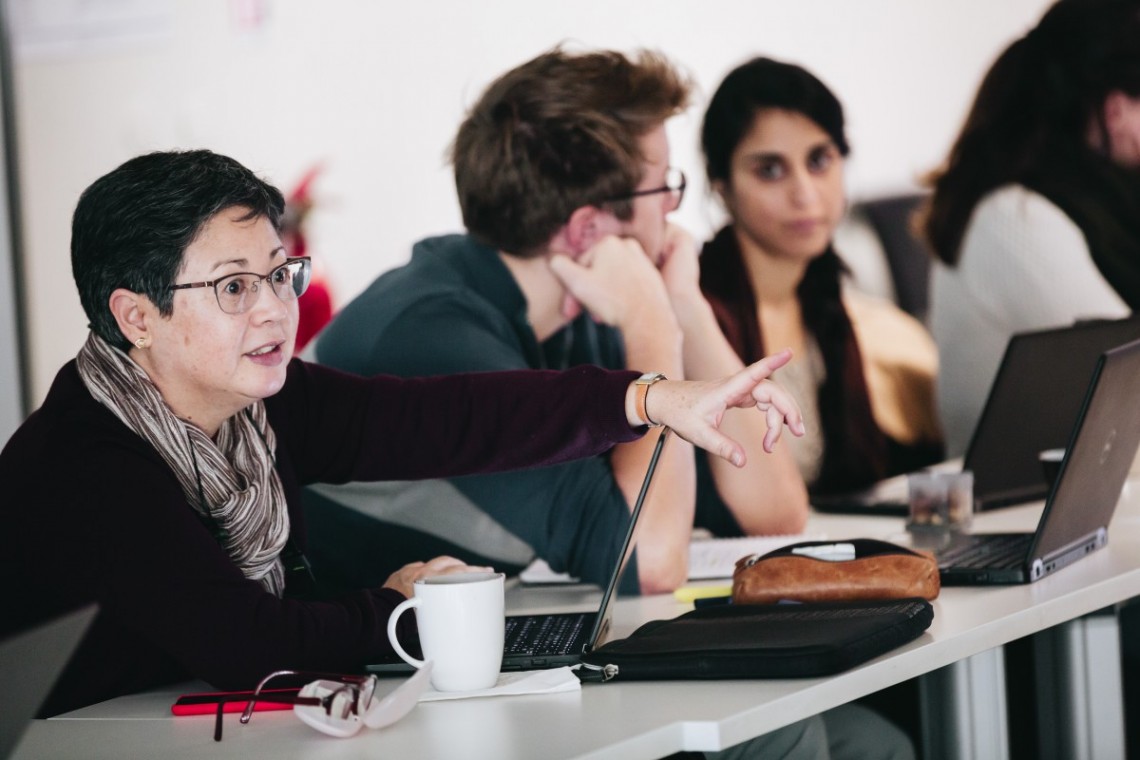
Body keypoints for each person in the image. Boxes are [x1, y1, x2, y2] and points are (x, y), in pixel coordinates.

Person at [0, 149, 808, 718]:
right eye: (235, 287)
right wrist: (397, 609)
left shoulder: (258, 409)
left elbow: (448, 419)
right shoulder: (83, 464)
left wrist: (647, 398)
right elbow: (248, 643)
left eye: (280, 273)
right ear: (136, 316)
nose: (277, 310)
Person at [308, 48, 811, 597]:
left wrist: (684, 302)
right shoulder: (424, 336)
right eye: (661, 185)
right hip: (334, 669)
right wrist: (654, 328)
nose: (672, 206)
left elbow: (775, 514)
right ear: (586, 230)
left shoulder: (584, 312)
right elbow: (647, 562)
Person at [699, 56, 943, 496]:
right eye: (770, 170)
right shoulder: (698, 313)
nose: (805, 194)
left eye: (819, 160)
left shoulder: (838, 309)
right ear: (722, 187)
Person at [921, 0, 1140, 456]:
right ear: (1117, 109)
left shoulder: (1101, 206)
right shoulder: (1011, 219)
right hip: (1010, 510)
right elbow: (1127, 375)